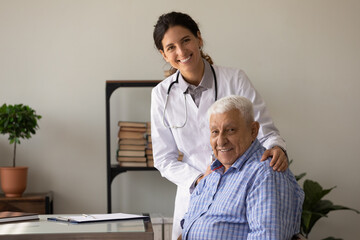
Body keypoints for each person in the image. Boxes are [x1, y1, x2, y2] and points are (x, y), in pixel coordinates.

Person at [151, 11, 288, 239]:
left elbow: (263, 129)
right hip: (194, 194)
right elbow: (164, 158)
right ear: (164, 55)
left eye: (186, 40)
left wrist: (276, 147)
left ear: (199, 39)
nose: (181, 51)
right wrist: (198, 179)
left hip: (238, 190)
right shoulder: (161, 95)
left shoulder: (234, 79)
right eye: (171, 47)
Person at [180, 95, 304, 240]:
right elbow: (189, 224)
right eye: (215, 132)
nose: (220, 141)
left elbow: (267, 237)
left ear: (253, 131)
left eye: (230, 130)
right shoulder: (213, 172)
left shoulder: (265, 174)